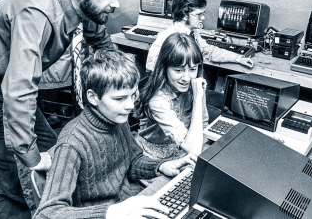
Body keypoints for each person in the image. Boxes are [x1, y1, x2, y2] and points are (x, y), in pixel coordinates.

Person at [0, 0, 131, 218]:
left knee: (57, 152)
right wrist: (30, 157)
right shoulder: (37, 9)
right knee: (0, 175)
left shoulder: (86, 7)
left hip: (7, 78)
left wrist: (122, 78)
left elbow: (100, 40)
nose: (116, 3)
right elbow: (20, 88)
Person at [34, 48, 195, 219]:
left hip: (126, 204)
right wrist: (111, 212)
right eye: (120, 98)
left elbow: (132, 161)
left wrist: (161, 166)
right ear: (93, 97)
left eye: (133, 95)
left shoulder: (117, 119)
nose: (130, 105)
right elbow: (47, 213)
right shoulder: (72, 143)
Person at [135, 33, 209, 160]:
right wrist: (197, 100)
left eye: (192, 69)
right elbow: (193, 151)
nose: (186, 78)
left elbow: (203, 123)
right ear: (165, 68)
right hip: (155, 154)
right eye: (178, 70)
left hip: (187, 146)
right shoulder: (157, 100)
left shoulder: (195, 85)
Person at [145, 0, 254, 73]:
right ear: (184, 15)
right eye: (199, 15)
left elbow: (210, 51)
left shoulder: (193, 33)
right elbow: (150, 65)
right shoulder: (167, 36)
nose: (203, 18)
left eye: (203, 14)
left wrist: (239, 58)